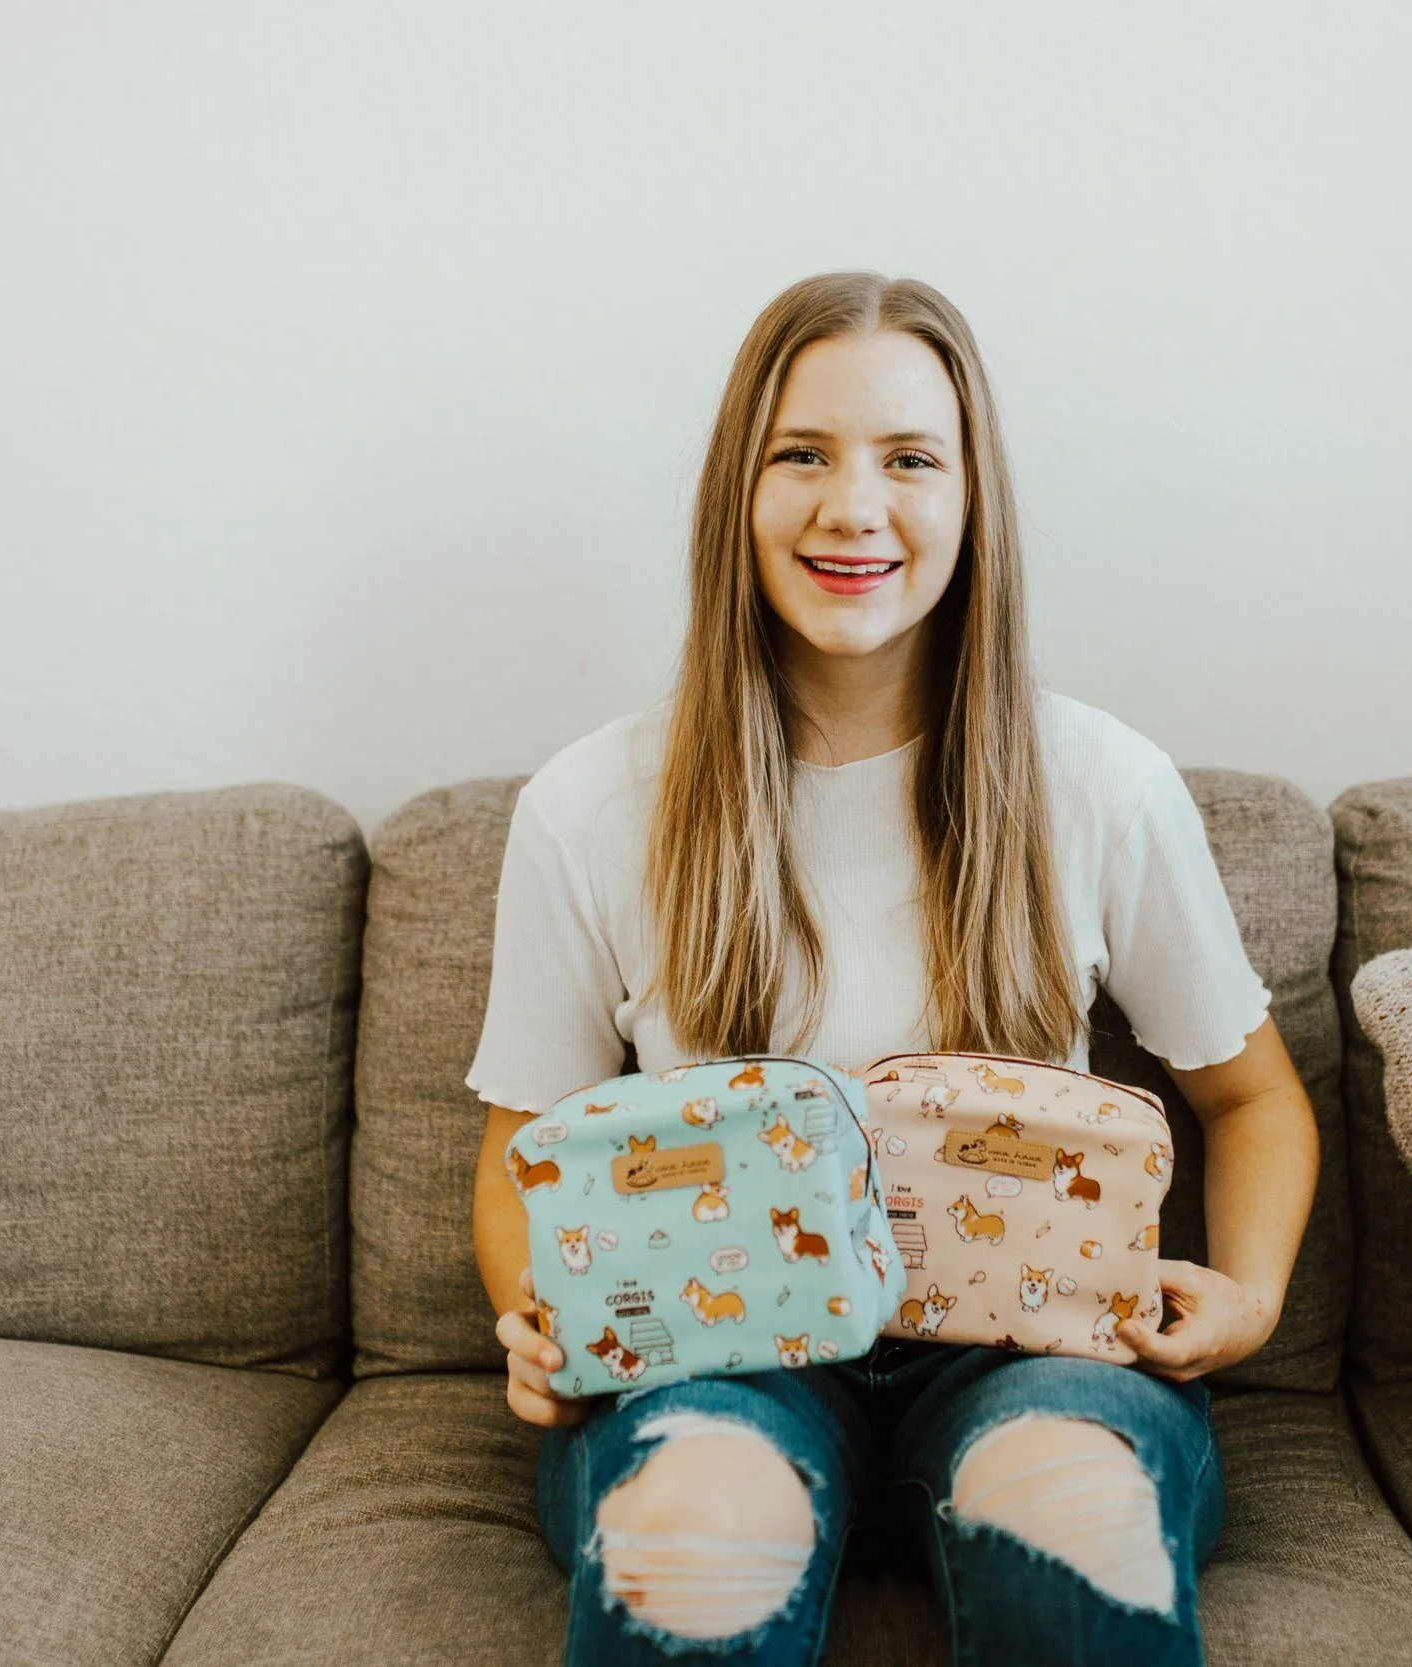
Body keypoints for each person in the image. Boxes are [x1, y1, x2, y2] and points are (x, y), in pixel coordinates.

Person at [466, 270, 1318, 1665]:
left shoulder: (1104, 782)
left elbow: (1256, 1099)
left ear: (973, 495)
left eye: (909, 458)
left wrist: (1252, 1297)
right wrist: (539, 1316)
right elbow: (523, 1146)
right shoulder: (588, 803)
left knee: (1071, 1506)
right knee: (695, 1529)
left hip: (1033, 1354)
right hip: (711, 1362)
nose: (853, 506)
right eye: (802, 453)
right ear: (735, 491)